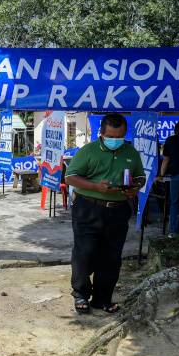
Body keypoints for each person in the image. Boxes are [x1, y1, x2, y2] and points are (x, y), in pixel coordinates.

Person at [65, 114, 146, 315]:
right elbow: (70, 177)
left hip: (118, 210)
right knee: (85, 252)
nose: (115, 141)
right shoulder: (88, 151)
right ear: (101, 133)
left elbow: (140, 177)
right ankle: (81, 294)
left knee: (111, 256)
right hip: (88, 207)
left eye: (119, 137)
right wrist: (95, 186)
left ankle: (102, 299)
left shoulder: (131, 152)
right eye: (111, 136)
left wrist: (135, 187)